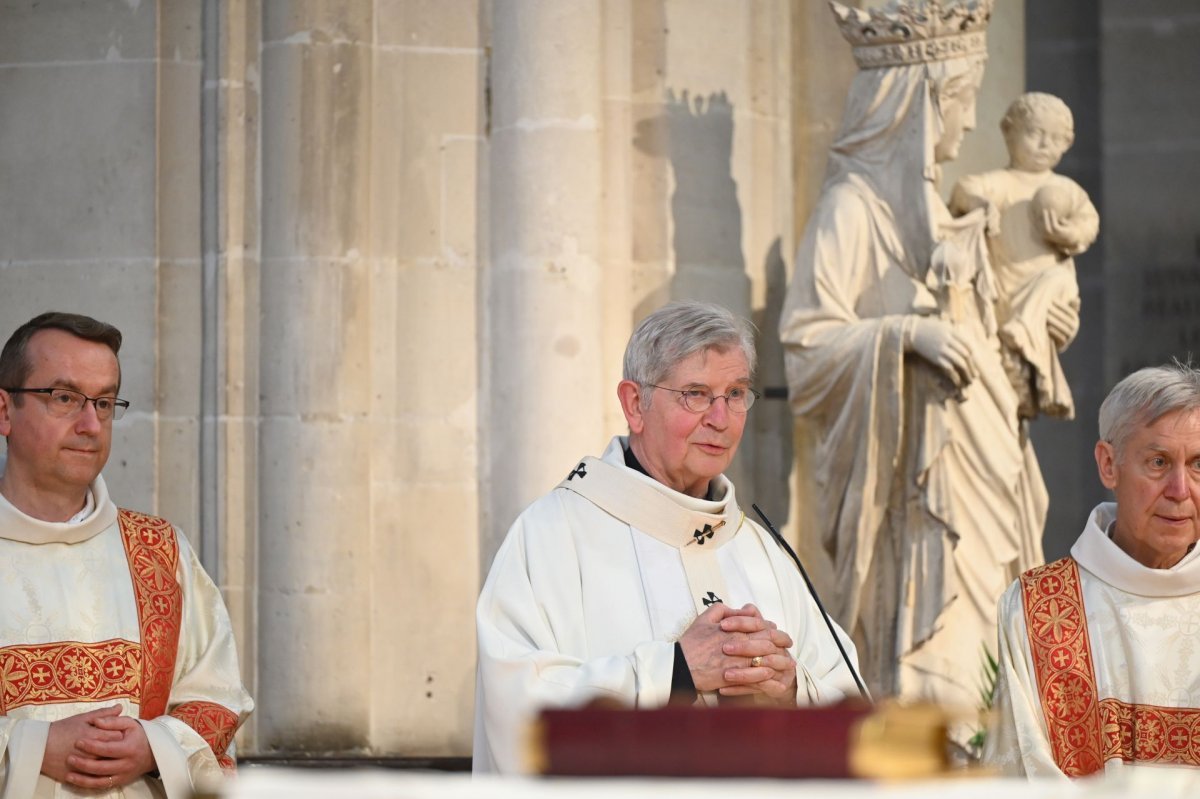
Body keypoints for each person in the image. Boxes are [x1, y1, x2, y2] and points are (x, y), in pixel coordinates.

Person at [778, 0, 1066, 726]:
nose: (969, 124)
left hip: (986, 464)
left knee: (992, 647)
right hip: (917, 492)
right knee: (937, 661)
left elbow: (987, 334)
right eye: (962, 102)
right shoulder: (852, 209)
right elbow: (808, 340)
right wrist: (907, 335)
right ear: (919, 105)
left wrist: (1035, 328)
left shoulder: (943, 213)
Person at [473, 301, 862, 774]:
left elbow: (853, 711)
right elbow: (517, 710)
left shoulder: (764, 552)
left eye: (736, 393)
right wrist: (675, 672)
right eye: (696, 394)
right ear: (635, 404)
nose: (720, 418)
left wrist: (792, 691)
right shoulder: (553, 536)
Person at [0, 312, 253, 797]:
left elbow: (218, 696)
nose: (91, 424)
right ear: (5, 412)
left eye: (105, 402)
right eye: (64, 397)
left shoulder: (161, 551)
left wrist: (154, 745)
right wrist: (32, 747)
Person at [986, 363, 1200, 777]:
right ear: (1108, 465)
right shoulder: (1038, 611)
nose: (1179, 490)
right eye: (1158, 462)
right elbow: (1023, 776)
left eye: (1198, 464)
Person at [950, 92, 1099, 420]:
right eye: (1034, 133)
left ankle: (1023, 334)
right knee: (1008, 378)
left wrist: (1069, 234)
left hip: (1050, 289)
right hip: (1007, 288)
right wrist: (979, 205)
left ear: (1067, 143)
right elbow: (964, 189)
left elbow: (1088, 223)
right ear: (1008, 131)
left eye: (1055, 138)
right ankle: (1020, 351)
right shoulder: (998, 183)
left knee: (1056, 278)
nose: (1044, 144)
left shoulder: (1065, 188)